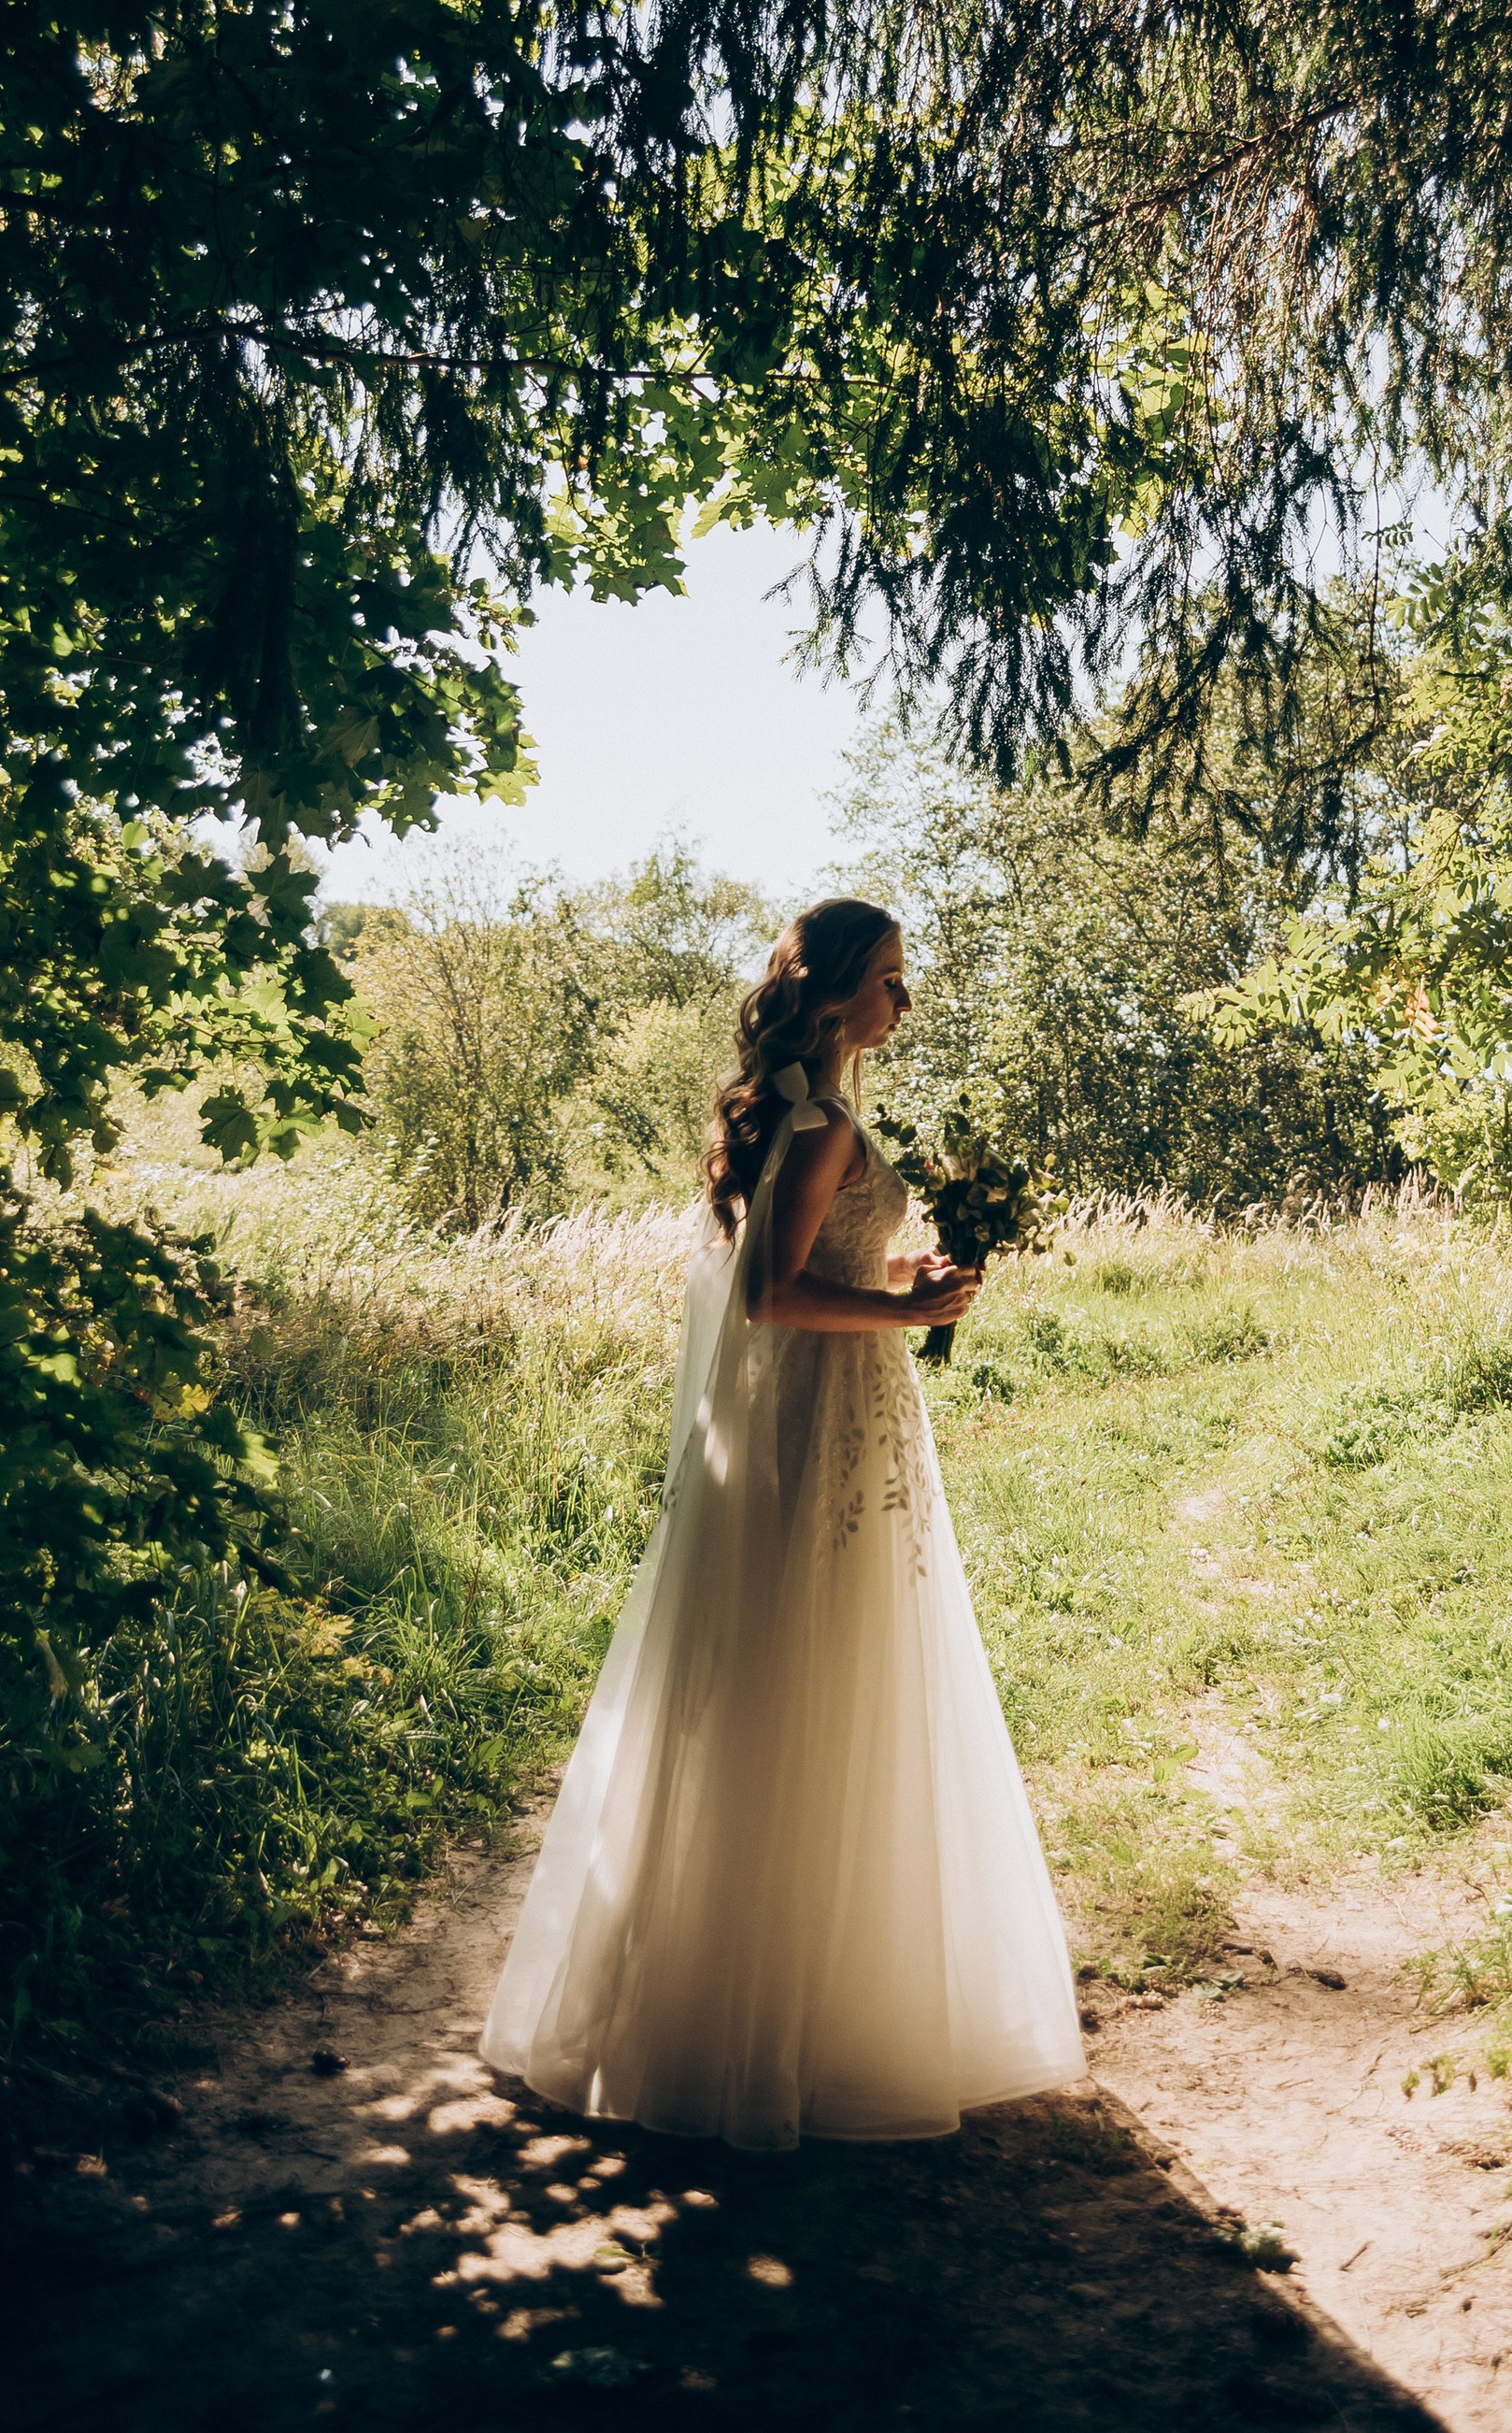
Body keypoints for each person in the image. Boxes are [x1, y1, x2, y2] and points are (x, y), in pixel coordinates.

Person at [482, 897, 1086, 2147]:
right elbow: (768, 1296)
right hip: (819, 1422)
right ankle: (767, 2026)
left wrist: (904, 1280)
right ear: (827, 993)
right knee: (813, 1678)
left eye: (905, 980)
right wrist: (913, 1320)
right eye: (888, 979)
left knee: (825, 1681)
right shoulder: (822, 1124)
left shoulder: (825, 1118)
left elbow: (820, 1270)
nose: (903, 1002)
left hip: (841, 1410)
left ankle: (814, 2004)